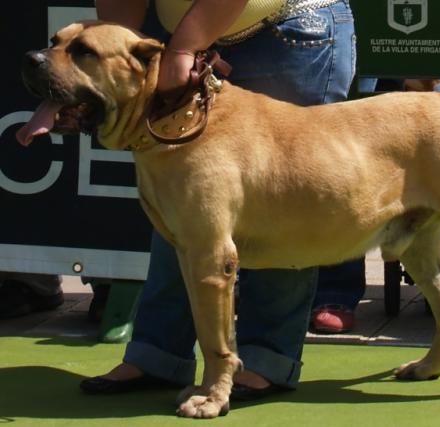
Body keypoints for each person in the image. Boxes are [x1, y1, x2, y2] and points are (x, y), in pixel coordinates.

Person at [80, 0, 367, 400]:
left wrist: (181, 50)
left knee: (285, 197)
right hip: (186, 34)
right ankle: (157, 355)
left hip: (287, 29)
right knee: (182, 205)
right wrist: (118, 41)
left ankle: (264, 361)